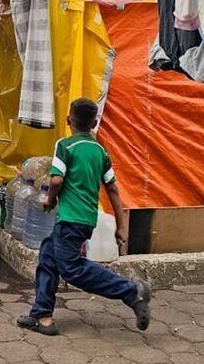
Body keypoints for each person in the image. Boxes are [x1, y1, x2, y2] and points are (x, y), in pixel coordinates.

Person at [17, 97, 152, 336]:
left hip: (70, 218)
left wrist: (50, 199)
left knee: (72, 270)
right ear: (95, 122)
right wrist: (122, 227)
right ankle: (42, 316)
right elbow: (113, 190)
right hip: (86, 219)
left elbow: (56, 179)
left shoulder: (65, 145)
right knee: (48, 257)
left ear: (69, 120)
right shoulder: (101, 152)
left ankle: (132, 292)